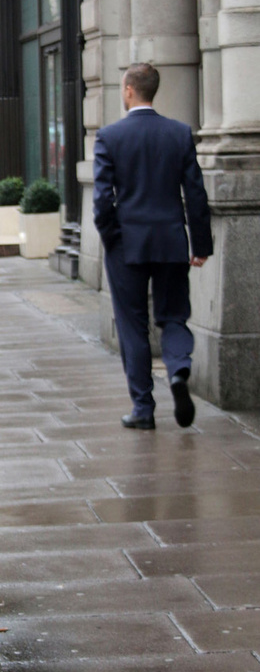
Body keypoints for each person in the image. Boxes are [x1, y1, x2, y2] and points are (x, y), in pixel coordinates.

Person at [93, 62, 213, 430]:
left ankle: (143, 409)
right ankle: (178, 371)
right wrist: (200, 244)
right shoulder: (178, 133)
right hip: (171, 241)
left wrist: (112, 237)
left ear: (129, 90)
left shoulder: (110, 137)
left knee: (133, 325)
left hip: (127, 244)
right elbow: (195, 193)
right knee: (173, 315)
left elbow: (101, 199)